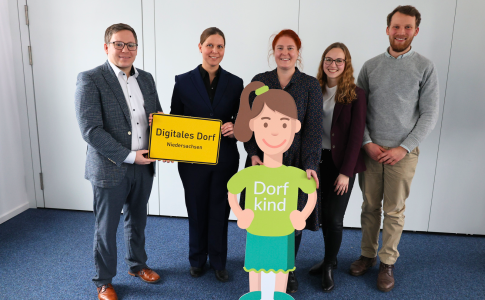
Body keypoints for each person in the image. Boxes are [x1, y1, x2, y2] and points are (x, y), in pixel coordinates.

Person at [350, 5, 439, 292]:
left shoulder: (424, 67)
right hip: (372, 151)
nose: (401, 32)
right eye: (396, 27)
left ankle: (387, 262)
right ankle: (367, 255)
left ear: (416, 30)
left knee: (394, 210)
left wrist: (404, 147)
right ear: (387, 29)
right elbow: (357, 112)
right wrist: (366, 143)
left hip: (403, 153)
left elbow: (429, 114)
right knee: (369, 206)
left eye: (407, 27)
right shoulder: (370, 66)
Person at [75, 23, 163, 300]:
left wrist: (165, 143)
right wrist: (129, 156)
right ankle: (104, 281)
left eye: (131, 45)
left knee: (137, 220)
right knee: (106, 227)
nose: (125, 50)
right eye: (119, 44)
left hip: (144, 164)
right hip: (110, 167)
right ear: (107, 47)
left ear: (137, 48)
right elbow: (90, 130)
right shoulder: (90, 78)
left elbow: (158, 116)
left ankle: (137, 265)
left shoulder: (146, 79)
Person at [242, 29, 323, 293]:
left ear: (298, 53)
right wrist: (253, 152)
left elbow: (313, 128)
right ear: (272, 52)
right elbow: (248, 123)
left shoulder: (310, 85)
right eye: (279, 48)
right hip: (262, 164)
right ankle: (263, 268)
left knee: (291, 219)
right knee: (264, 217)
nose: (284, 53)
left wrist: (311, 164)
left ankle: (288, 269)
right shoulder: (259, 81)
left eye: (290, 48)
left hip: (297, 163)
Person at [228, 81, 317, 300]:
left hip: (282, 233)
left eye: (284, 124)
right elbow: (232, 191)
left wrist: (301, 215)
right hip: (256, 232)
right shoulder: (253, 172)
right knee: (255, 275)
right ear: (254, 125)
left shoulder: (293, 174)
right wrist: (241, 214)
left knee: (280, 275)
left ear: (295, 127)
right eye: (266, 124)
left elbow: (311, 193)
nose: (275, 132)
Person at [168, 27, 243, 282]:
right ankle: (197, 259)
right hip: (192, 160)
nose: (215, 51)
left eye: (220, 46)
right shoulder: (183, 81)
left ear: (224, 50)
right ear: (200, 47)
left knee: (220, 209)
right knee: (197, 208)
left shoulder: (235, 83)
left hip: (224, 157)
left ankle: (219, 261)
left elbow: (242, 120)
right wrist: (165, 141)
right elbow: (175, 118)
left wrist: (236, 126)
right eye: (210, 45)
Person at [307, 43, 367, 292]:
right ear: (323, 62)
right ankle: (324, 260)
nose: (333, 64)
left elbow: (356, 137)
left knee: (334, 217)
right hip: (315, 161)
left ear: (347, 64)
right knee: (319, 215)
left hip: (341, 164)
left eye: (339, 61)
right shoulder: (313, 89)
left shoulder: (356, 94)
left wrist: (346, 172)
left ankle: (330, 264)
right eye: (328, 59)